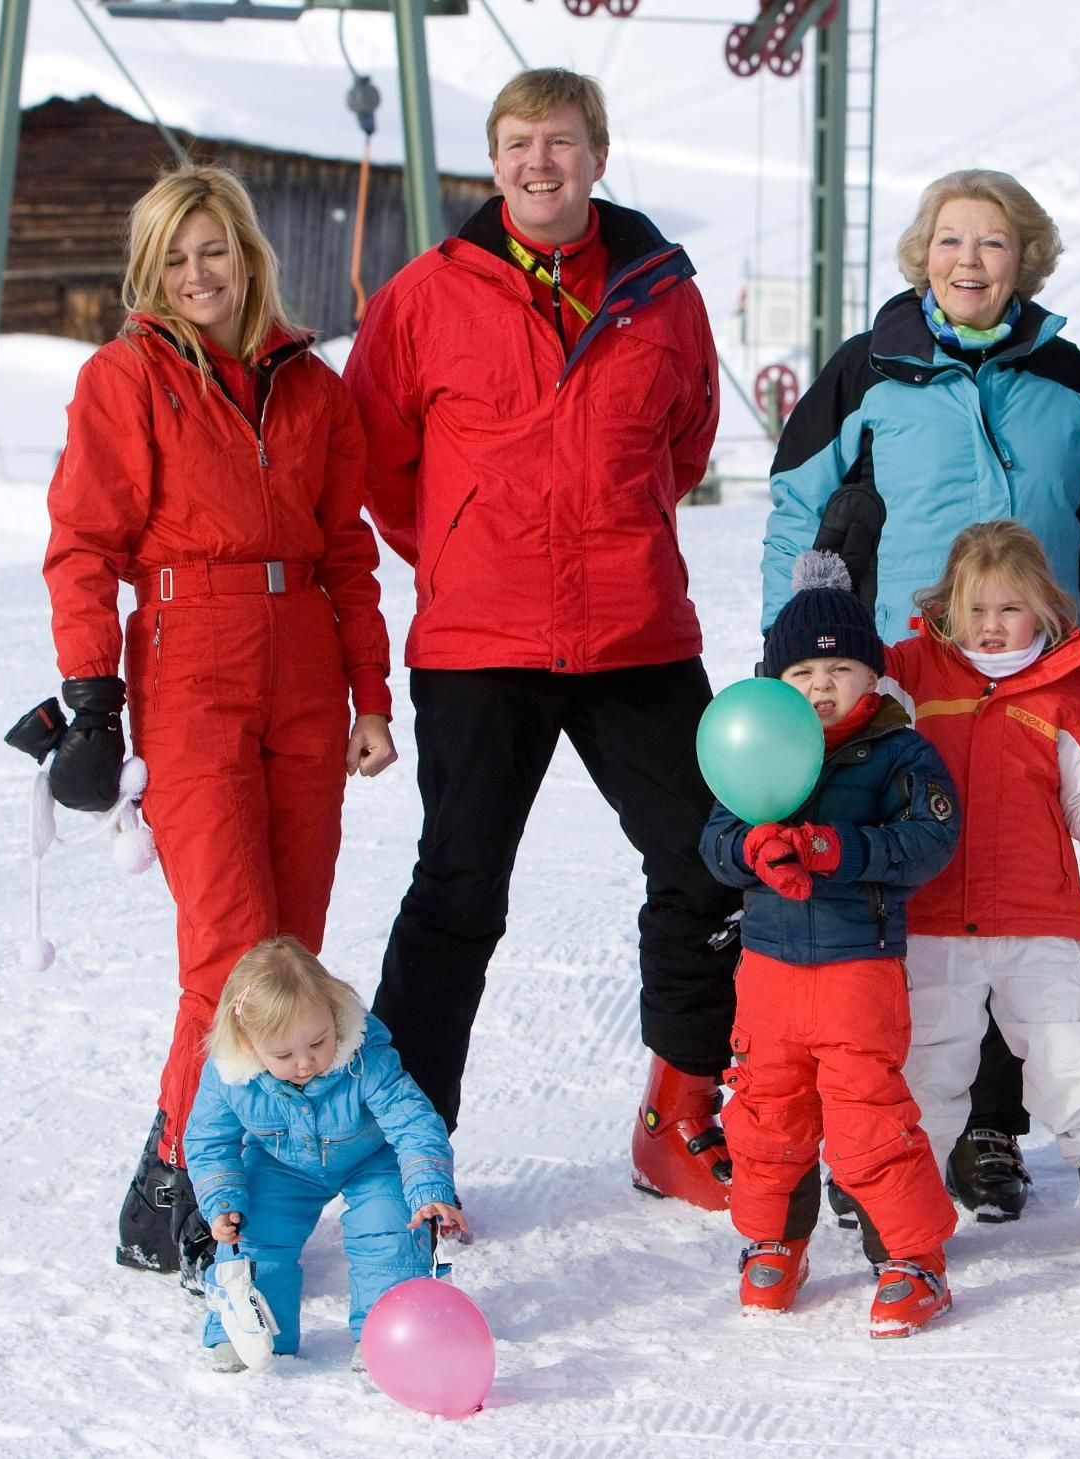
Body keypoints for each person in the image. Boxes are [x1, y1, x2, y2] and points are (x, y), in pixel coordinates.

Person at [342, 69, 741, 1209]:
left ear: (596, 156)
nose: (538, 164)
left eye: (559, 143)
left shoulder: (663, 292)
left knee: (711, 857)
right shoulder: (426, 294)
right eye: (518, 143)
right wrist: (468, 550)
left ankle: (681, 1114)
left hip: (634, 631)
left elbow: (686, 439)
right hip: (479, 644)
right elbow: (381, 463)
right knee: (457, 891)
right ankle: (404, 1158)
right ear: (494, 158)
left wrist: (609, 533)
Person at [41, 164, 397, 1288]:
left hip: (303, 664)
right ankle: (186, 1178)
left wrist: (370, 695)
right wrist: (93, 697)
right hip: (190, 657)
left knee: (291, 947)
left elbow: (349, 551)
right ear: (153, 273)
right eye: (174, 258)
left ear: (248, 257)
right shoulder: (124, 377)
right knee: (233, 950)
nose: (198, 274)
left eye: (215, 251)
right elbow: (84, 548)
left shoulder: (311, 386)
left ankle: (239, 1167)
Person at [763, 168, 1080, 1220]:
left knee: (1014, 890)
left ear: (1026, 259)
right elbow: (797, 506)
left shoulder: (1065, 374)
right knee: (917, 897)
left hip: (1033, 668)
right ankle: (888, 1125)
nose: (970, 261)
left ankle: (992, 1134)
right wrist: (799, 651)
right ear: (922, 255)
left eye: (994, 243)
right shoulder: (868, 371)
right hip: (906, 676)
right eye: (952, 241)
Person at [880, 521, 1080, 1279]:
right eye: (975, 609)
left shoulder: (1069, 689)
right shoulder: (910, 673)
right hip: (932, 915)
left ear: (1042, 607)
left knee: (1075, 1055)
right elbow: (840, 709)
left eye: (1009, 608)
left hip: (1038, 916)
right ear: (947, 607)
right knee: (926, 1065)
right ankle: (904, 1206)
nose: (991, 626)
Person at [700, 554, 962, 1336]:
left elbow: (930, 839)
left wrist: (833, 850)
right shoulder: (755, 750)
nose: (821, 685)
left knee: (868, 1122)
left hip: (857, 971)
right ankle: (774, 1241)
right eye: (804, 670)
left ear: (872, 677)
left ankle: (915, 1260)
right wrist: (753, 850)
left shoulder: (897, 753)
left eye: (840, 667)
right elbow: (713, 841)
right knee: (763, 1115)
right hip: (770, 977)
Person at [185, 939, 464, 1372]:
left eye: (318, 1042)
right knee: (254, 1233)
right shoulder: (230, 1076)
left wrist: (428, 1185)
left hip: (372, 1161)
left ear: (335, 1014)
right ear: (249, 1043)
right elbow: (208, 1141)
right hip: (282, 1166)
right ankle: (252, 1330)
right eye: (283, 1054)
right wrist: (222, 1202)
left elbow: (413, 1121)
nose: (305, 1063)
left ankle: (388, 1332)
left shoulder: (364, 1060)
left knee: (388, 1230)